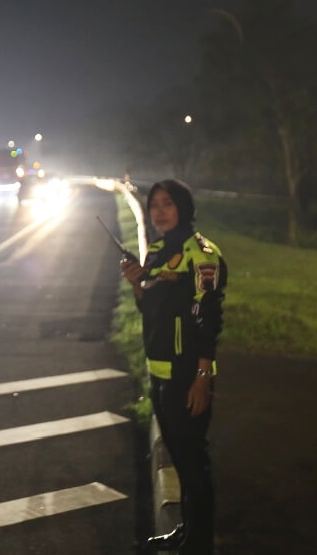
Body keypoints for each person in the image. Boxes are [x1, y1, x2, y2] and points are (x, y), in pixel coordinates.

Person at [121, 179, 227, 555]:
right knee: (181, 462)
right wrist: (137, 284)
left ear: (184, 206)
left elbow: (208, 321)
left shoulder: (202, 254)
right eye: (154, 206)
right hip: (159, 373)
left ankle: (199, 544)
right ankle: (185, 531)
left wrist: (203, 377)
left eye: (168, 204)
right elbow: (150, 310)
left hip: (186, 376)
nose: (160, 212)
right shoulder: (159, 252)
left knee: (194, 464)